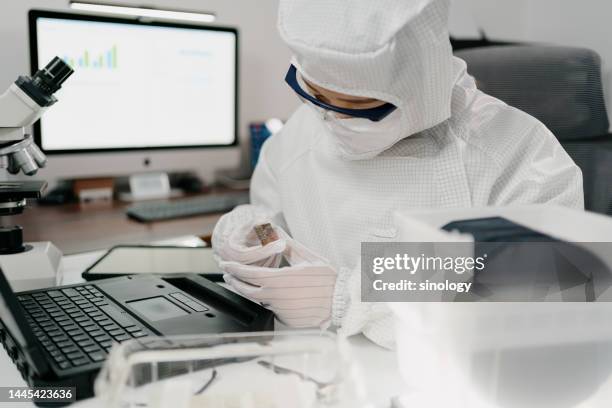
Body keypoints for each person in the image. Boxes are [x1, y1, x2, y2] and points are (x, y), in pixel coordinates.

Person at [212, 0, 583, 348]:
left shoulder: (515, 152)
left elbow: (546, 289)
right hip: (315, 367)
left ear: (422, 84)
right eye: (317, 96)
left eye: (359, 106)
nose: (334, 120)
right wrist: (252, 235)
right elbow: (271, 222)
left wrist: (352, 297)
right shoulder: (299, 135)